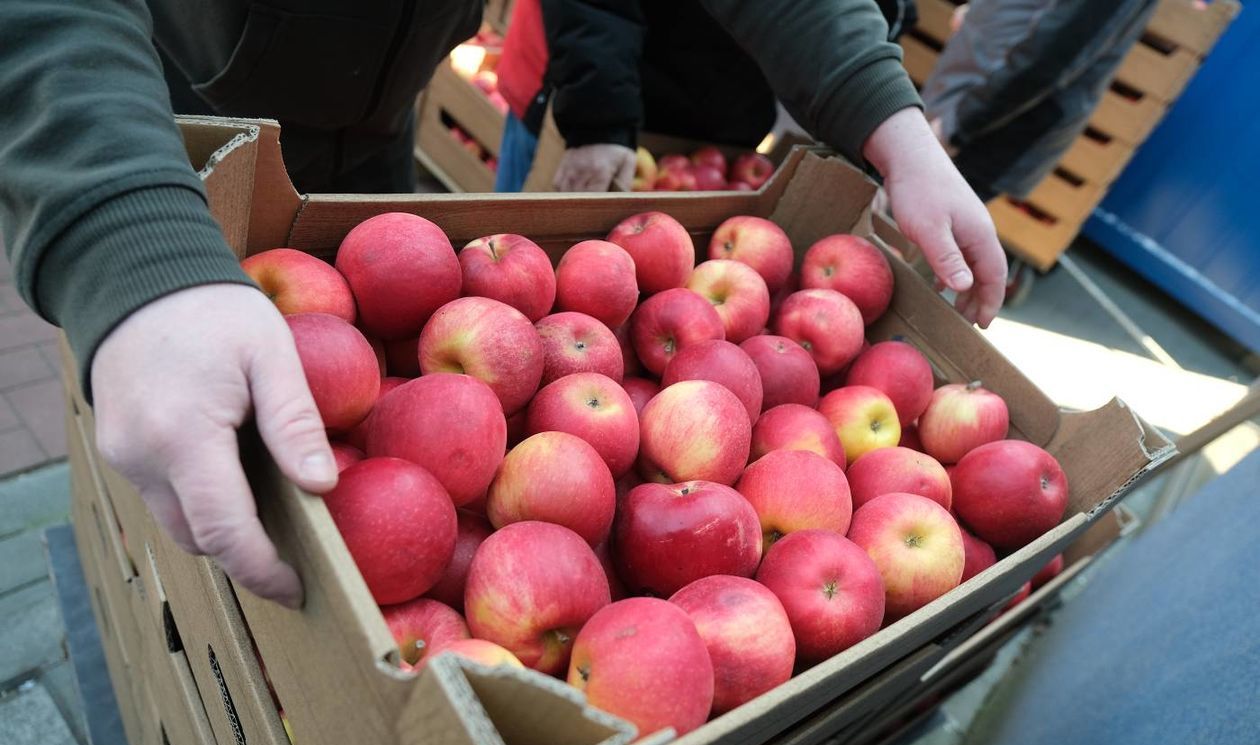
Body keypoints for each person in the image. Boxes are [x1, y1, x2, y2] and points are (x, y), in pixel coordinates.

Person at [0, 0, 1004, 608]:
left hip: (377, 138)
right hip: (162, 120)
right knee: (193, 466)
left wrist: (886, 116)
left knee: (323, 413)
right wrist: (121, 231)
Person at [494, 0, 917, 194]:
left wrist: (874, 143)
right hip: (582, 91)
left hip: (717, 127)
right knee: (511, 265)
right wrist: (597, 117)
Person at [920, 0, 1160, 203]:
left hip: (989, 124)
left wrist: (959, 126)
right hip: (964, 92)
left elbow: (1057, 52)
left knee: (908, 229)